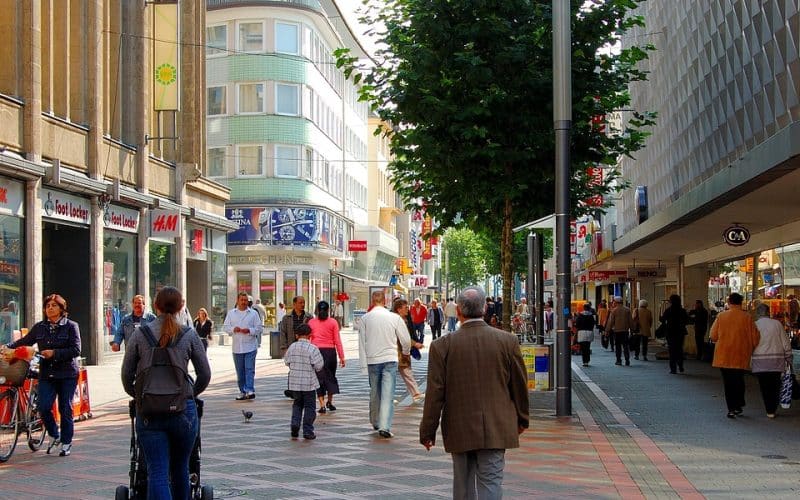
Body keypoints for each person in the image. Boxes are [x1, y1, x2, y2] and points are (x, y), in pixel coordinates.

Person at [420, 286, 529, 499]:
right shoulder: (507, 341)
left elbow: (435, 393)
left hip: (459, 425)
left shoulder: (442, 346)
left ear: (458, 310)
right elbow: (519, 384)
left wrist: (428, 431)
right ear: (485, 309)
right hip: (497, 425)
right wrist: (522, 419)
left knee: (462, 484)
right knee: (492, 482)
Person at [121, 286, 211, 499]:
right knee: (181, 467)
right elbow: (205, 374)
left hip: (150, 412)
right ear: (181, 307)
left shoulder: (140, 335)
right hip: (183, 410)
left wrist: (140, 395)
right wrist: (189, 393)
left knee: (157, 471)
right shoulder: (189, 335)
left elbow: (127, 374)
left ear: (155, 306)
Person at [4, 294, 80, 457]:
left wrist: (55, 353)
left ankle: (66, 442)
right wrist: (6, 347)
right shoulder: (40, 327)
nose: (50, 308)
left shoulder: (71, 326)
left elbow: (76, 350)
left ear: (61, 308)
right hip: (47, 373)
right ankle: (54, 434)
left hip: (67, 374)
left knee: (65, 408)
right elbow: (24, 341)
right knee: (43, 406)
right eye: (47, 306)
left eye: (53, 305)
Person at [358, 290, 411, 438]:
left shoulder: (365, 319)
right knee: (388, 393)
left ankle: (375, 420)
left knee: (375, 392)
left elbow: (362, 343)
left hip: (372, 360)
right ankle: (385, 426)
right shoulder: (394, 318)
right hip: (390, 359)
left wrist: (363, 365)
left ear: (372, 301)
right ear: (385, 301)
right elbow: (405, 340)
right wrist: (406, 352)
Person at [710, 293, 760, 419]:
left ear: (729, 302)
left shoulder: (721, 316)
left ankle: (731, 408)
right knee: (739, 380)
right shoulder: (747, 317)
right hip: (741, 354)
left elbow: (713, 336)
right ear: (741, 302)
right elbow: (755, 338)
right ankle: (739, 404)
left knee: (728, 383)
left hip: (724, 355)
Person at [751, 303, 792, 418]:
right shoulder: (777, 324)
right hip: (776, 361)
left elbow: (750, 344)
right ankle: (772, 408)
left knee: (764, 387)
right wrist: (788, 356)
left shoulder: (754, 325)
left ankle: (769, 410)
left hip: (760, 362)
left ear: (757, 313)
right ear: (768, 312)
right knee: (775, 385)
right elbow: (785, 342)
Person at [284, 324, 324, 440]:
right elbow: (319, 365)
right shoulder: (313, 348)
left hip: (294, 383)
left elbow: (286, 361)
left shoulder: (292, 347)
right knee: (309, 407)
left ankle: (295, 424)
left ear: (296, 335)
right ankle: (308, 431)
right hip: (309, 384)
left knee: (297, 404)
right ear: (310, 335)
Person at [223, 292, 263, 400]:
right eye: (242, 300)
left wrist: (250, 330)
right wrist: (233, 329)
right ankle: (242, 390)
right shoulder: (231, 313)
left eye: (245, 300)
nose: (244, 302)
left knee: (249, 369)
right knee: (240, 371)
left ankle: (250, 390)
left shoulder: (253, 313)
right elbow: (225, 327)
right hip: (237, 347)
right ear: (237, 300)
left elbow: (259, 328)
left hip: (250, 346)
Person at [308, 301, 345, 414]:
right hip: (330, 353)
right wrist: (342, 356)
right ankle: (330, 401)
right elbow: (337, 340)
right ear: (328, 310)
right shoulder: (333, 322)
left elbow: (309, 340)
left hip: (316, 352)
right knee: (330, 376)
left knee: (318, 379)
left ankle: (322, 404)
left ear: (317, 310)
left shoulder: (311, 322)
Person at [391, 298, 425, 402]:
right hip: (397, 351)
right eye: (405, 308)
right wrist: (415, 344)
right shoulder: (397, 320)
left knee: (405, 372)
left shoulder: (403, 320)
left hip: (399, 351)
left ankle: (415, 393)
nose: (408, 310)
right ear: (399, 309)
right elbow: (404, 338)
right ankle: (415, 394)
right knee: (394, 373)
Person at [660, 294, 690, 374]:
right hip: (680, 332)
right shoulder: (682, 311)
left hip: (670, 332)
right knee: (679, 349)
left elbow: (662, 319)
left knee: (672, 350)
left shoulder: (668, 310)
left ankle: (673, 369)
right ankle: (680, 366)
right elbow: (687, 321)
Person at [605, 296, 633, 366]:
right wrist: (632, 329)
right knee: (625, 346)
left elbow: (611, 322)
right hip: (625, 331)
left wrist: (607, 330)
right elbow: (631, 321)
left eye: (614, 301)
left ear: (616, 302)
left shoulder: (614, 310)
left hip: (617, 331)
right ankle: (627, 360)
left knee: (618, 346)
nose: (613, 303)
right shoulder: (627, 310)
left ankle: (618, 360)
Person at [574, 302, 596, 367]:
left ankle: (584, 361)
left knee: (583, 348)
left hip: (581, 333)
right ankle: (587, 360)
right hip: (589, 332)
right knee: (588, 347)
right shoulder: (591, 315)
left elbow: (577, 324)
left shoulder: (580, 315)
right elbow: (593, 324)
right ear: (589, 308)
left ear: (583, 308)